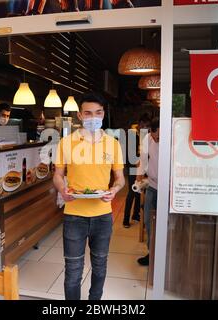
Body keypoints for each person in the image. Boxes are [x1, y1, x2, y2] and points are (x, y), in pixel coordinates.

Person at [53, 92, 125, 300]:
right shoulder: (66, 143)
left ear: (103, 114)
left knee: (100, 266)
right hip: (74, 215)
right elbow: (58, 175)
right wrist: (62, 190)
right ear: (80, 115)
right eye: (88, 113)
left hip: (102, 215)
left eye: (98, 112)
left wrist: (114, 189)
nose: (93, 117)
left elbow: (120, 178)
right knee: (73, 271)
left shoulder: (113, 144)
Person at [136, 117, 159, 266]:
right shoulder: (148, 139)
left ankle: (164, 255)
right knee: (148, 222)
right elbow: (143, 160)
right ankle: (152, 254)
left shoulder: (174, 140)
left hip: (168, 189)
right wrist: (138, 178)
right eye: (155, 135)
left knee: (167, 224)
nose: (157, 139)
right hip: (152, 186)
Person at [123, 113, 151, 228]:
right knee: (131, 192)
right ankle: (125, 219)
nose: (147, 128)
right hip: (133, 166)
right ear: (140, 124)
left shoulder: (145, 136)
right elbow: (131, 155)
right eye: (145, 126)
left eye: (148, 126)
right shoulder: (131, 135)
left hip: (141, 167)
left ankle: (135, 214)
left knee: (139, 192)